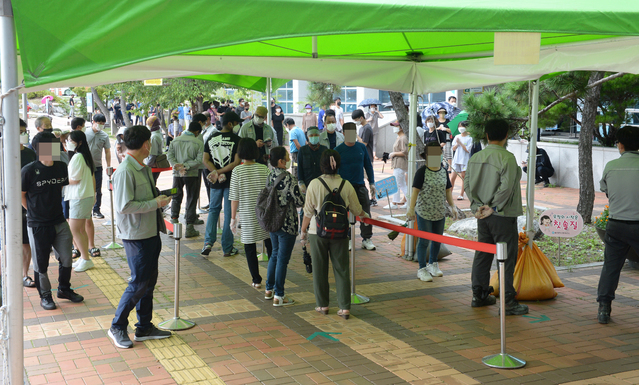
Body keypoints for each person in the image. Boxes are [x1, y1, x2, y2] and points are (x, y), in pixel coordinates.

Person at [109, 125, 172, 349]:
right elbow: (124, 206)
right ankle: (117, 325)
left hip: (150, 231)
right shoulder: (126, 170)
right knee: (138, 283)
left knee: (148, 282)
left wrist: (161, 198)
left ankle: (144, 326)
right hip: (136, 235)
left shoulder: (142, 168)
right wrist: (155, 203)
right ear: (146, 144)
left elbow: (145, 198)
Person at [464, 118, 528, 315]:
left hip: (481, 215)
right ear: (507, 136)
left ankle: (479, 295)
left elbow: (467, 185)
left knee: (482, 254)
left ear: (487, 135)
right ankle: (508, 301)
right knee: (506, 258)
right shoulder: (507, 158)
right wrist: (493, 206)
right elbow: (507, 187)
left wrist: (478, 206)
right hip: (503, 214)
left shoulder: (475, 157)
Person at [300, 150, 368, 319]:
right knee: (342, 269)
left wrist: (303, 231)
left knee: (319, 270)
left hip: (318, 232)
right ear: (338, 164)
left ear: (322, 165)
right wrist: (365, 216)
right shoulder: (346, 184)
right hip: (340, 233)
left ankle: (322, 305)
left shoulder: (314, 184)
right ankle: (344, 308)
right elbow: (357, 209)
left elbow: (307, 212)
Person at [22, 133, 84, 310]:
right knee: (41, 263)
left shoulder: (61, 167)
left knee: (66, 258)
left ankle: (64, 289)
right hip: (38, 224)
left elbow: (60, 188)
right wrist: (34, 212)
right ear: (38, 149)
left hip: (59, 221)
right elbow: (21, 195)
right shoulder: (28, 170)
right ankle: (45, 295)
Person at [596, 125, 639, 324]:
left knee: (611, 267)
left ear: (620, 145)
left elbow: (605, 188)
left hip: (615, 224)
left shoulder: (610, 166)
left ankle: (604, 307)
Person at [407, 142, 457, 282]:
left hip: (439, 211)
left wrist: (452, 206)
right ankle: (421, 269)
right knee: (424, 240)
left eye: (438, 154)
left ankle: (433, 264)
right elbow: (415, 192)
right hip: (424, 212)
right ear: (427, 156)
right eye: (433, 154)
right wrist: (411, 209)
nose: (437, 157)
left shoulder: (443, 171)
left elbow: (448, 190)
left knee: (437, 240)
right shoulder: (421, 172)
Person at [229, 138, 272, 289]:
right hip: (265, 214)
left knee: (249, 247)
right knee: (270, 243)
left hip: (248, 214)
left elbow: (234, 198)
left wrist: (233, 218)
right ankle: (272, 278)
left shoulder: (237, 171)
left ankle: (256, 279)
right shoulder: (264, 169)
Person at [265, 147, 305, 306]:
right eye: (287, 157)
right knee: (282, 259)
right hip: (287, 224)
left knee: (274, 254)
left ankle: (269, 289)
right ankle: (279, 295)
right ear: (281, 161)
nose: (289, 159)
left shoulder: (270, 175)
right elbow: (300, 202)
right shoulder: (289, 178)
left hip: (273, 222)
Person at [201, 111, 241, 257]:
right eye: (237, 123)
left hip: (215, 181)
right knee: (229, 213)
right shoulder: (237, 139)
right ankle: (227, 247)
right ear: (230, 124)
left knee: (213, 210)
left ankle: (208, 242)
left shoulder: (211, 137)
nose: (238, 126)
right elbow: (236, 162)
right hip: (231, 180)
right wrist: (222, 172)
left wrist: (216, 172)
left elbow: (205, 160)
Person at [336, 122, 376, 250]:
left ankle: (367, 238)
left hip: (360, 186)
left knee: (366, 211)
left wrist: (372, 182)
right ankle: (347, 238)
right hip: (344, 188)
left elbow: (368, 166)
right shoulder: (338, 150)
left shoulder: (361, 147)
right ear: (343, 134)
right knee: (344, 214)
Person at [65, 131, 96, 273]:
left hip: (80, 197)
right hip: (84, 196)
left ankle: (86, 259)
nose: (67, 142)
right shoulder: (83, 156)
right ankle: (84, 258)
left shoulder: (78, 157)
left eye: (70, 140)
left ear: (79, 142)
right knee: (80, 229)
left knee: (74, 229)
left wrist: (60, 181)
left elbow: (75, 179)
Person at [167, 121, 204, 238]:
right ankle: (189, 227)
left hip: (177, 174)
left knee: (176, 197)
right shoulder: (198, 142)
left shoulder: (175, 140)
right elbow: (199, 161)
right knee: (192, 198)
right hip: (192, 174)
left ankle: (173, 224)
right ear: (197, 131)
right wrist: (186, 166)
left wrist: (177, 166)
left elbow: (169, 156)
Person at [19, 119, 37, 288]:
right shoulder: (3, 152)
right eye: (19, 131)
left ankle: (25, 275)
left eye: (24, 131)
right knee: (8, 243)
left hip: (28, 204)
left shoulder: (31, 153)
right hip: (7, 205)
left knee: (26, 241)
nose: (22, 135)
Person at [86, 114, 112, 219]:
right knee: (86, 187)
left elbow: (107, 151)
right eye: (99, 123)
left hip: (97, 166)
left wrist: (108, 166)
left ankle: (96, 210)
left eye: (102, 123)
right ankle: (87, 209)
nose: (100, 125)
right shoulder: (85, 132)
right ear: (93, 121)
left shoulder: (104, 136)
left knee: (97, 189)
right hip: (85, 165)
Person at [386, 125, 409, 209]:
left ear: (401, 127)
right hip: (398, 163)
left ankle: (394, 203)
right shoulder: (399, 137)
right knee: (402, 184)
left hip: (400, 163)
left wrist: (394, 153)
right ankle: (409, 202)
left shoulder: (403, 138)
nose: (394, 128)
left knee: (396, 183)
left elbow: (405, 152)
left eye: (396, 126)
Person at [450, 122, 473, 200]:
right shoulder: (457, 136)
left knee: (463, 177)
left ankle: (461, 194)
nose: (461, 128)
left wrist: (461, 143)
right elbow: (453, 148)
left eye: (462, 127)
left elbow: (467, 150)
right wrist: (457, 144)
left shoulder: (470, 138)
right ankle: (449, 193)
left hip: (464, 160)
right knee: (452, 177)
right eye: (459, 127)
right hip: (456, 159)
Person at [145, 116, 164, 182]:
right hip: (156, 164)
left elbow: (153, 155)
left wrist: (147, 167)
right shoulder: (159, 133)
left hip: (153, 165)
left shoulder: (154, 137)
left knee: (151, 183)